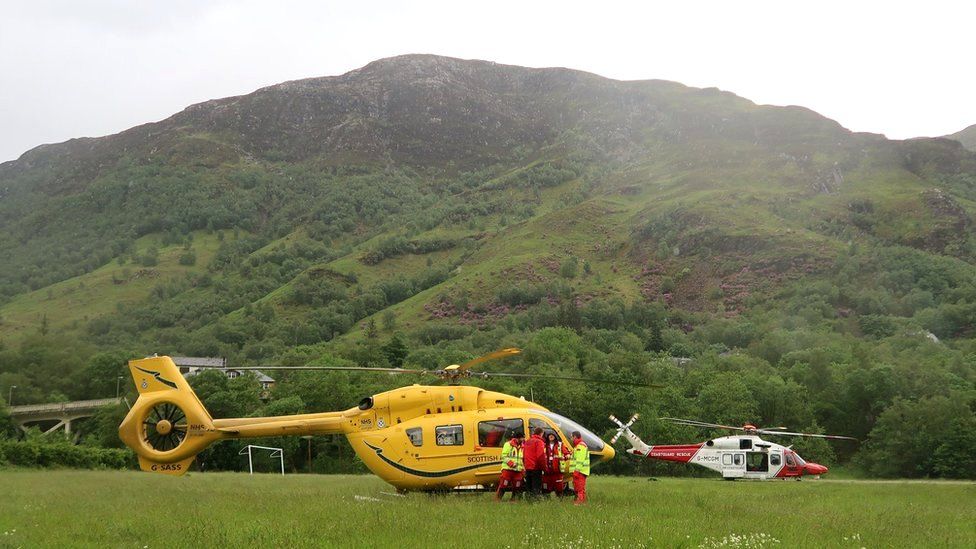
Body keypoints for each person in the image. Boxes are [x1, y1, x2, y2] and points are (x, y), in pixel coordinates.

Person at [495, 431, 524, 501]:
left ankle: (514, 500)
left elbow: (523, 458)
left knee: (517, 485)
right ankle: (497, 499)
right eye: (522, 438)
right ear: (517, 438)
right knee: (504, 484)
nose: (523, 439)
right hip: (508, 469)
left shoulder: (522, 446)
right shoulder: (508, 444)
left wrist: (523, 469)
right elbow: (504, 456)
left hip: (518, 470)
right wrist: (511, 464)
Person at [542, 432, 571, 496]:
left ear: (555, 437)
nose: (551, 437)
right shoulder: (544, 445)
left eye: (552, 435)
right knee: (546, 486)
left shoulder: (560, 445)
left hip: (557, 470)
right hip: (547, 470)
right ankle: (546, 499)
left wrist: (565, 457)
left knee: (559, 486)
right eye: (549, 435)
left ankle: (560, 498)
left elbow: (567, 454)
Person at [521, 427, 546, 498]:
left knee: (529, 485)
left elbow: (523, 454)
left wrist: (525, 465)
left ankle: (528, 499)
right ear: (541, 433)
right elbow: (540, 456)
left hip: (528, 466)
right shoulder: (539, 442)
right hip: (536, 467)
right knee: (536, 485)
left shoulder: (528, 441)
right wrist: (544, 468)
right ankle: (536, 500)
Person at [570, 430, 590, 505]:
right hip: (579, 471)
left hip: (580, 471)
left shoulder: (580, 446)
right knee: (578, 487)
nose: (571, 438)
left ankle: (579, 502)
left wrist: (577, 470)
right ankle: (581, 502)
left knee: (579, 487)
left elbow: (580, 460)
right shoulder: (577, 446)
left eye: (571, 437)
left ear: (574, 437)